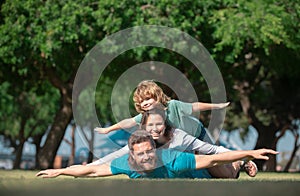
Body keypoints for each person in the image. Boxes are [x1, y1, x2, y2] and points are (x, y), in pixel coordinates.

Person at [36, 130, 278, 179]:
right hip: (198, 164)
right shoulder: (126, 164)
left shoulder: (172, 158)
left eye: (149, 151)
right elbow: (91, 170)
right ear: (132, 155)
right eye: (140, 154)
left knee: (228, 174)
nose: (146, 157)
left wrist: (250, 153)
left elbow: (213, 158)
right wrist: (61, 171)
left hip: (205, 171)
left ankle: (241, 164)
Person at [90, 108, 257, 178]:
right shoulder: (142, 142)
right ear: (144, 127)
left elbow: (213, 150)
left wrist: (245, 155)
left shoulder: (179, 136)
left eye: (159, 124)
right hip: (186, 174)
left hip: (201, 165)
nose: (155, 129)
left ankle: (239, 163)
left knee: (226, 174)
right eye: (150, 125)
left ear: (165, 124)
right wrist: (93, 165)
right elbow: (117, 155)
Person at [94, 80, 230, 142]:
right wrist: (108, 129)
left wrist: (216, 106)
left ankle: (240, 162)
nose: (145, 103)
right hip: (182, 141)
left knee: (214, 154)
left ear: (157, 96)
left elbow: (195, 106)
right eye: (141, 101)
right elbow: (128, 122)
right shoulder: (146, 116)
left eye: (148, 98)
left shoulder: (173, 105)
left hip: (197, 132)